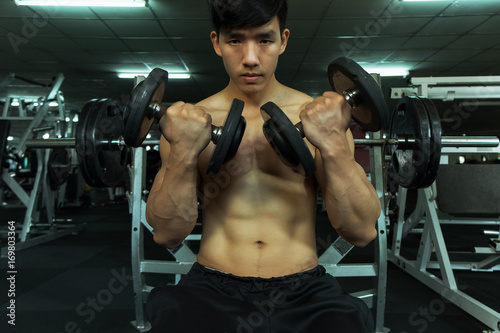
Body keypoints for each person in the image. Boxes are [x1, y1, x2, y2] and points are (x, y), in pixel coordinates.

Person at [145, 0, 381, 332]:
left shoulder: (321, 119)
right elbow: (167, 234)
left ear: (283, 40)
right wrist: (184, 152)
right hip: (212, 288)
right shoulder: (188, 123)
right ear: (216, 42)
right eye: (236, 40)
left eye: (265, 40)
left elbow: (362, 231)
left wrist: (332, 144)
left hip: (305, 290)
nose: (251, 58)